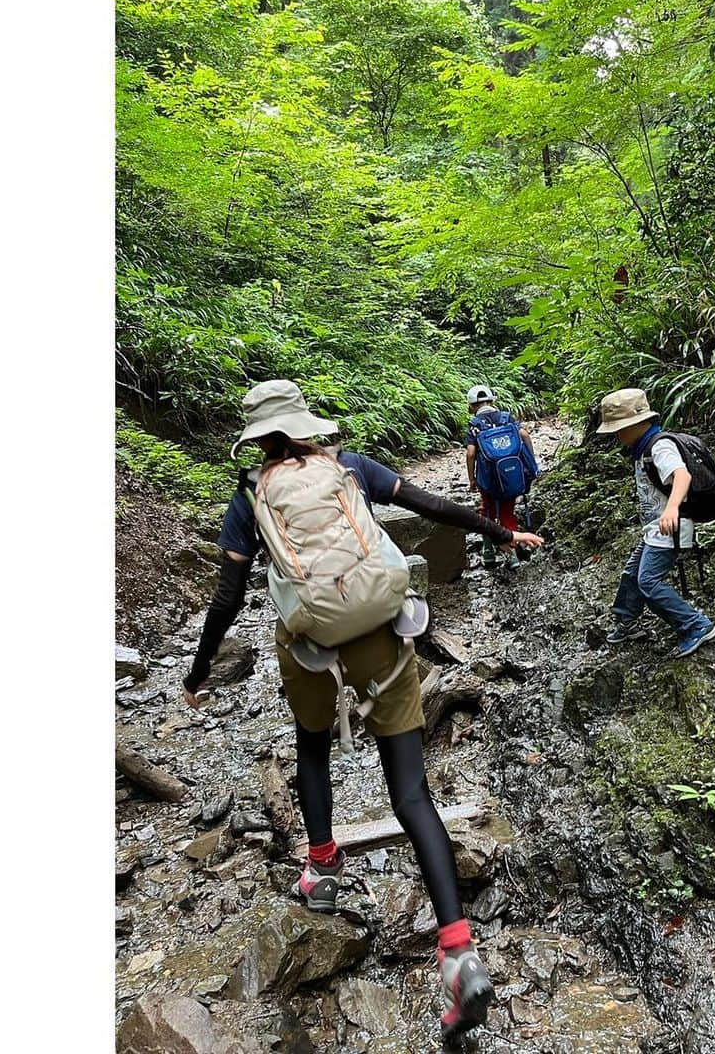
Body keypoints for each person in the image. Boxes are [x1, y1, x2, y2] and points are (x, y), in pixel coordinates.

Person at [181, 380, 544, 1043]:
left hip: (312, 648)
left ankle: (320, 869)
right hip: (383, 632)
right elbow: (435, 506)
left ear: (258, 438)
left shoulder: (249, 495)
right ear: (306, 425)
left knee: (312, 746)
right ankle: (459, 950)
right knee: (411, 793)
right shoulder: (350, 469)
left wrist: (199, 671)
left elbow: (230, 594)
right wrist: (503, 531)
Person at [596, 387, 715, 658]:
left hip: (670, 529)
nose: (616, 436)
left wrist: (672, 508)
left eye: (618, 429)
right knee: (632, 574)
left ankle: (696, 625)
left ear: (637, 423)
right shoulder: (643, 449)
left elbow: (682, 476)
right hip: (655, 530)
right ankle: (626, 622)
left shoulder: (660, 446)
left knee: (648, 582)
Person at [464, 385, 537, 570]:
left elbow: (471, 453)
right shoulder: (506, 418)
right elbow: (524, 435)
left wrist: (472, 478)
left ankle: (488, 553)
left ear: (472, 405)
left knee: (487, 511)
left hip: (487, 478)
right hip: (510, 474)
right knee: (507, 512)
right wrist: (531, 462)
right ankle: (511, 556)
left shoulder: (475, 425)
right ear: (492, 400)